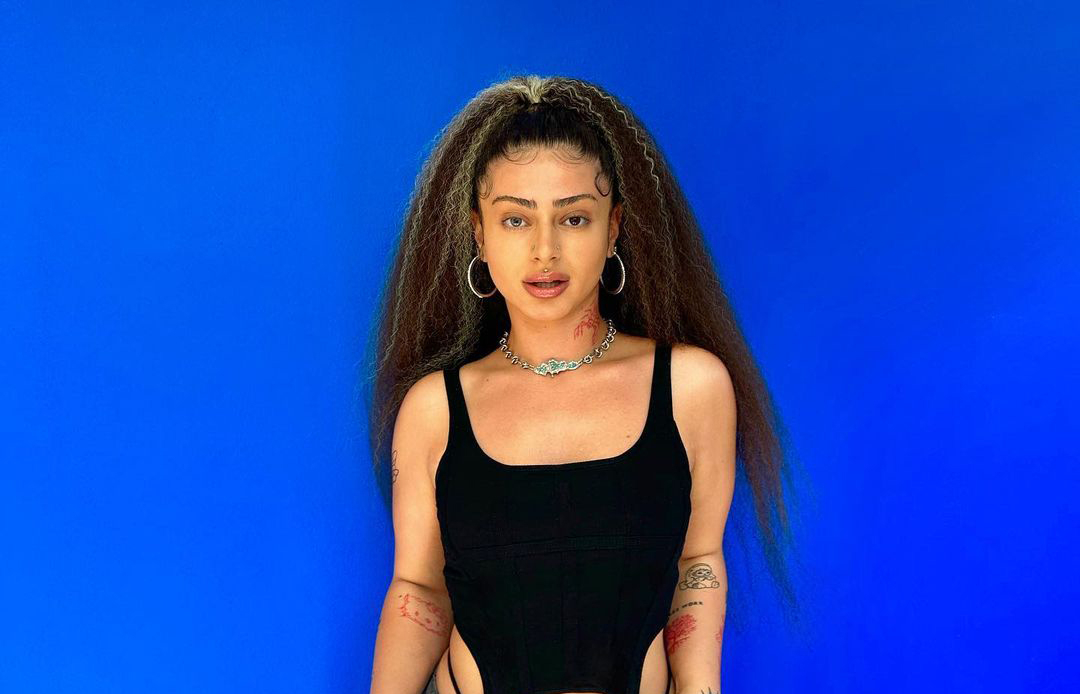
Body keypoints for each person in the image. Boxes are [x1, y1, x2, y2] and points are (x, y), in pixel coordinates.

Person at [366, 75, 795, 694]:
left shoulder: (691, 388)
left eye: (573, 217)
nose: (545, 250)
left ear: (613, 227)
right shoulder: (434, 409)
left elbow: (698, 563)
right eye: (516, 220)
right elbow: (419, 588)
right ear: (479, 234)